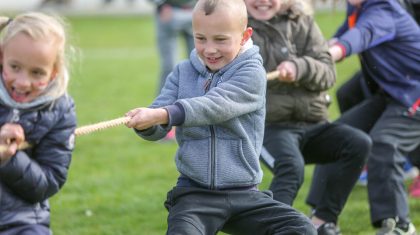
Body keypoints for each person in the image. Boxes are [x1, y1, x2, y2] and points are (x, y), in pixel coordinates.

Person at [125, 0, 316, 234]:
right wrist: (147, 124)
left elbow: (216, 105)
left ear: (245, 36)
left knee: (300, 228)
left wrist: (166, 114)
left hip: (244, 193)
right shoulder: (182, 72)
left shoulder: (252, 72)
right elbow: (159, 122)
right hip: (194, 195)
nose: (209, 49)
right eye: (200, 38)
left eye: (221, 39)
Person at [244, 0, 371, 234]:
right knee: (291, 167)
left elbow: (328, 73)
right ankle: (273, 229)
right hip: (268, 127)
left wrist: (299, 67)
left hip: (314, 124)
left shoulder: (303, 22)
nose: (262, 1)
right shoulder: (239, 30)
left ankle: (323, 221)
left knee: (358, 143)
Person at [328, 0, 420, 234]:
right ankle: (322, 219)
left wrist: (334, 52)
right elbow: (342, 35)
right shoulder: (357, 7)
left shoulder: (383, 9)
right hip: (394, 94)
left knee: (384, 143)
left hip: (414, 92)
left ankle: (399, 224)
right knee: (336, 135)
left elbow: (360, 35)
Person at [0, 12, 77, 234]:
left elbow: (48, 183)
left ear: (53, 72)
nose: (23, 82)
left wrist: (9, 159)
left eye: (37, 73)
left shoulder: (60, 111)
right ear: (2, 56)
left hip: (22, 221)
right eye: (14, 67)